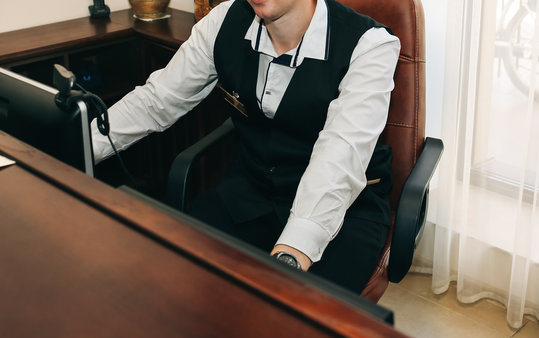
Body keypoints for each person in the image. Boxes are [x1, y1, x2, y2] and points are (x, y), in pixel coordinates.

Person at [92, 0, 400, 294]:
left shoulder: (370, 46)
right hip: (252, 190)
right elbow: (155, 101)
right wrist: (78, 143)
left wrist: (291, 254)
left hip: (343, 210)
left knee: (291, 325)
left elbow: (338, 159)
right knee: (176, 280)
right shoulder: (225, 20)